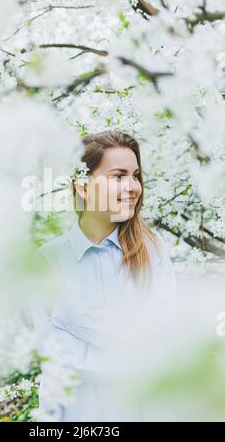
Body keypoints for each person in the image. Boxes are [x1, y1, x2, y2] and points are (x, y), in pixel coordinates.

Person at [30, 130, 178, 422]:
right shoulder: (50, 261)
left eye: (135, 175)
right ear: (83, 187)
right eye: (119, 176)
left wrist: (71, 314)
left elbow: (158, 343)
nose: (133, 186)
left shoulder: (152, 250)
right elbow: (62, 362)